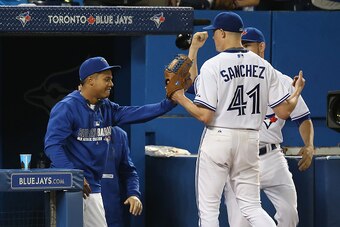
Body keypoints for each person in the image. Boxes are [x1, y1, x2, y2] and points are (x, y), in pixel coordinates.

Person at [170, 11, 305, 227]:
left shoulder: (213, 65)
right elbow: (283, 112)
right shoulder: (263, 66)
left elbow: (204, 114)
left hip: (219, 138)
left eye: (215, 32)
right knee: (252, 207)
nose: (213, 36)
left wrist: (179, 98)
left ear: (223, 33)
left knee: (209, 211)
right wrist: (296, 92)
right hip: (250, 139)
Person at [44, 56, 177, 227]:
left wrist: (169, 103)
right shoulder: (67, 107)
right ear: (90, 80)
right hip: (66, 186)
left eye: (111, 79)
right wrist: (72, 174)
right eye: (107, 79)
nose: (111, 84)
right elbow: (52, 145)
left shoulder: (106, 107)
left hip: (91, 187)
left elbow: (137, 113)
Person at [222, 27, 315, 227]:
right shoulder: (231, 80)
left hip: (272, 156)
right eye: (241, 46)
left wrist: (308, 144)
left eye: (248, 45)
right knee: (240, 223)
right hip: (240, 157)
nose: (244, 51)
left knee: (290, 214)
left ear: (262, 46)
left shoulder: (281, 80)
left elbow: (303, 117)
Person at [101, 126, 142, 227]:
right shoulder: (74, 131)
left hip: (112, 211)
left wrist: (133, 194)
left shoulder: (119, 135)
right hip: (82, 206)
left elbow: (129, 172)